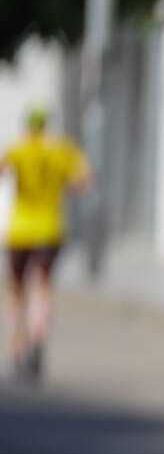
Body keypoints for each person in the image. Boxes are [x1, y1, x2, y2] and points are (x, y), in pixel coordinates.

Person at [1, 105, 91, 382]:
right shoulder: (62, 150)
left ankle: (18, 346)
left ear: (28, 124)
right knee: (43, 286)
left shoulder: (19, 148)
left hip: (21, 229)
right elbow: (82, 181)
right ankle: (39, 334)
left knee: (17, 290)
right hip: (50, 229)